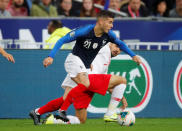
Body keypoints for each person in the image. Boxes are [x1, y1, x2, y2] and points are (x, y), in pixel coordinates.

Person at [34, 10, 140, 124]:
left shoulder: (108, 36)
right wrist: (51, 56)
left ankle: (39, 113)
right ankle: (62, 111)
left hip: (83, 68)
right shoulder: (85, 31)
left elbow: (121, 44)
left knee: (70, 105)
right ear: (100, 21)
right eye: (109, 22)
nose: (112, 26)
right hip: (75, 62)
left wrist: (133, 55)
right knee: (118, 81)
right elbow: (62, 39)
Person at [29, 42, 128, 125]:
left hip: (83, 76)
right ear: (110, 44)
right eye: (116, 46)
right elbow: (87, 47)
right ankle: (110, 113)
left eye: (120, 50)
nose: (118, 50)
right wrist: (85, 62)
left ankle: (39, 113)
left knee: (66, 102)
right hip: (81, 73)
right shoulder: (104, 46)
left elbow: (106, 85)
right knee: (122, 80)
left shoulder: (106, 61)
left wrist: (122, 98)